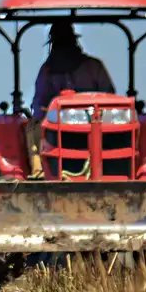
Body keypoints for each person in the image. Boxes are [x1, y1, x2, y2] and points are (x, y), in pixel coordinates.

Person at [25, 22, 115, 178]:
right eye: (60, 43)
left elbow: (110, 97)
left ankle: (118, 166)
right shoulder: (47, 71)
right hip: (56, 124)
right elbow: (39, 103)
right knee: (32, 127)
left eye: (65, 42)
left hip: (96, 122)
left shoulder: (93, 67)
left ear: (74, 42)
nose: (63, 47)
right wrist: (42, 112)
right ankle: (40, 171)